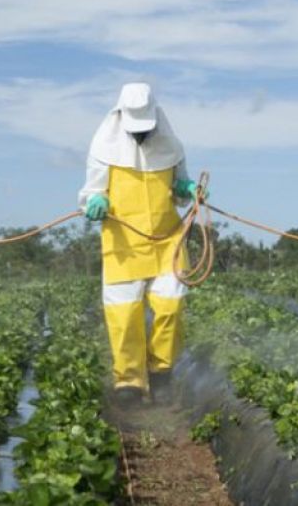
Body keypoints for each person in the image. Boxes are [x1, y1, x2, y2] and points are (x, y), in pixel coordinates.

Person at [79, 82, 202, 406]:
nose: (140, 136)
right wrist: (95, 203)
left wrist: (187, 188)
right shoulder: (103, 147)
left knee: (171, 306)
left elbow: (178, 188)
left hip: (167, 240)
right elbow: (92, 191)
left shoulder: (171, 146)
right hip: (123, 243)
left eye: (145, 130)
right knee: (125, 315)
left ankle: (161, 371)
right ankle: (129, 382)